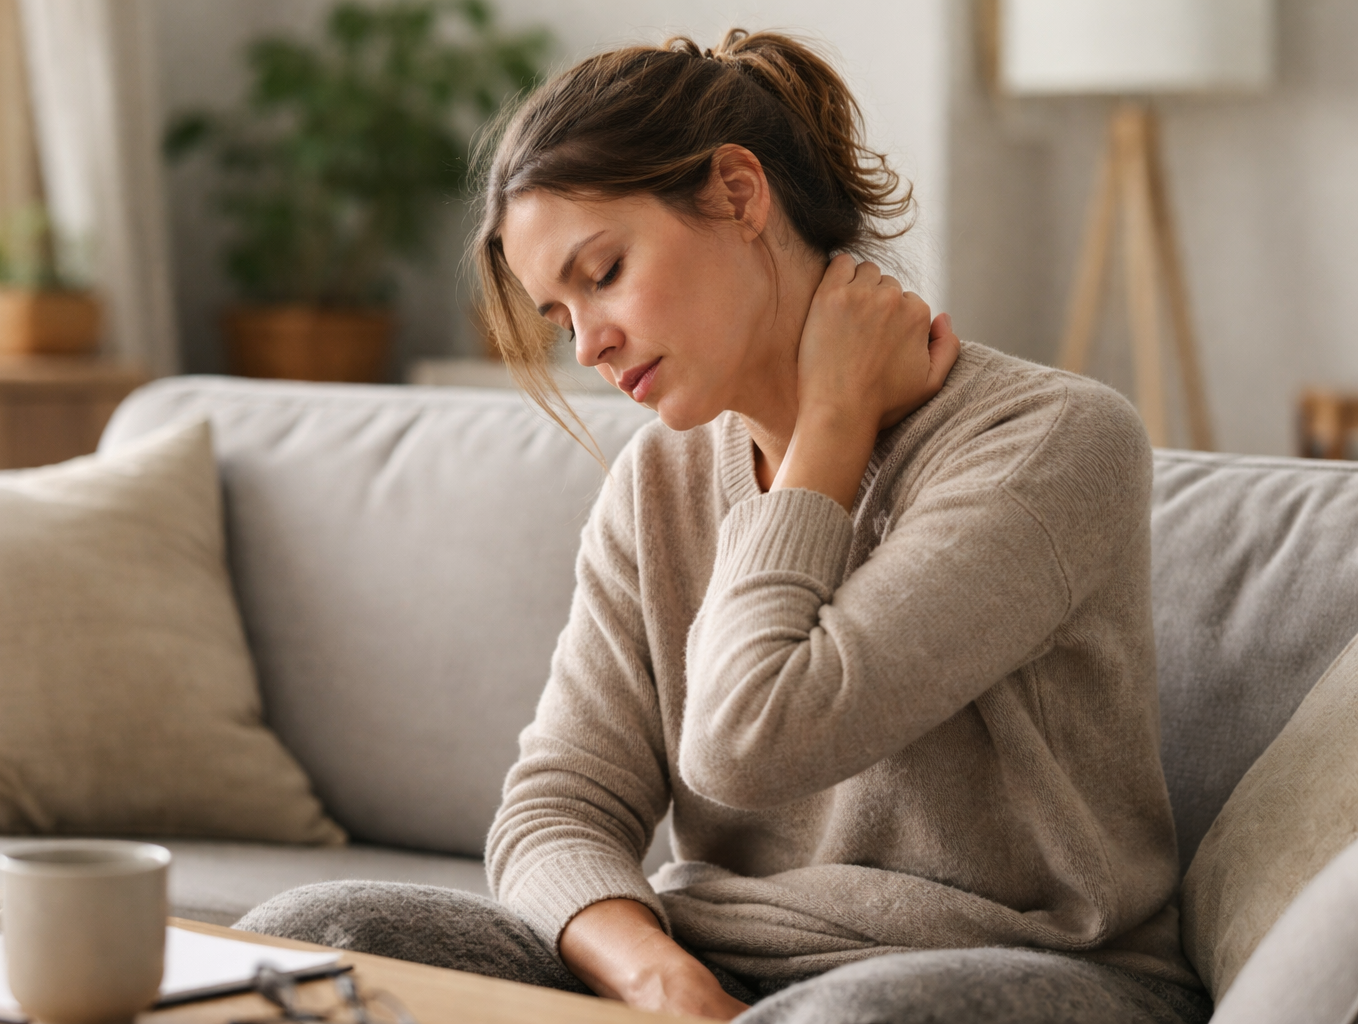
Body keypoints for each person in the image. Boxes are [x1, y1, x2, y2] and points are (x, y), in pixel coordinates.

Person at [237, 29, 1210, 1024]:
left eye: (604, 272)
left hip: (1020, 972)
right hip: (722, 968)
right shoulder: (657, 481)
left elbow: (753, 740)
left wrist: (827, 430)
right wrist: (664, 982)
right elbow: (551, 812)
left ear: (740, 194)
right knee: (314, 933)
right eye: (559, 316)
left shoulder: (1049, 440)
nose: (590, 345)